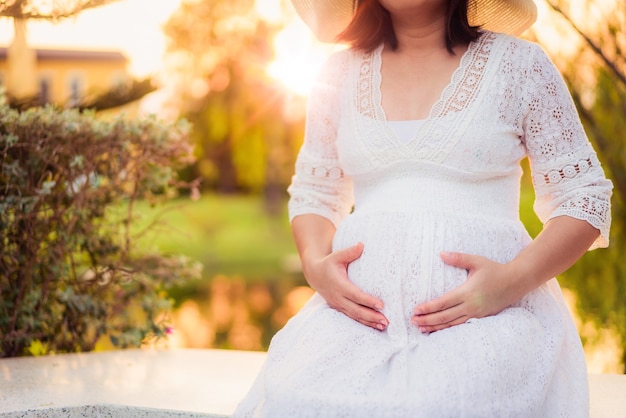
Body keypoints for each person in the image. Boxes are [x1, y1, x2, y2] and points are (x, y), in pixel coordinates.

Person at [234, 0, 613, 416]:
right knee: (295, 397)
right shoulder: (336, 75)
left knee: (443, 404)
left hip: (490, 322)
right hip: (355, 325)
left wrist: (511, 281)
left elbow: (584, 195)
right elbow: (315, 191)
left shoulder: (520, 64)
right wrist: (314, 264)